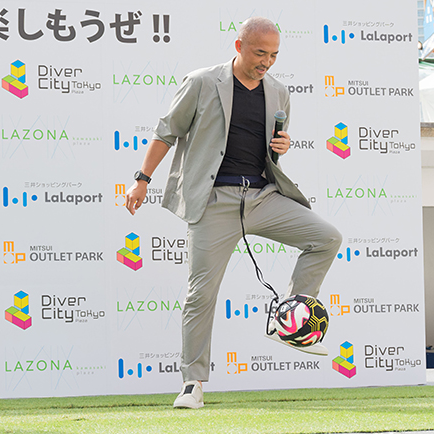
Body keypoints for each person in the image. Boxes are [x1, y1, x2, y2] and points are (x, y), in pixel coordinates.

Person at [124, 17, 342, 409]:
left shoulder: (279, 92)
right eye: (260, 53)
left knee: (326, 237)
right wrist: (142, 178)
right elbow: (166, 132)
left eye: (274, 55)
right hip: (213, 201)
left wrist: (282, 144)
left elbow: (269, 151)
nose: (267, 62)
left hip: (262, 196)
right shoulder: (203, 82)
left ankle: (292, 317)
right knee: (201, 294)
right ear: (239, 46)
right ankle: (193, 383)